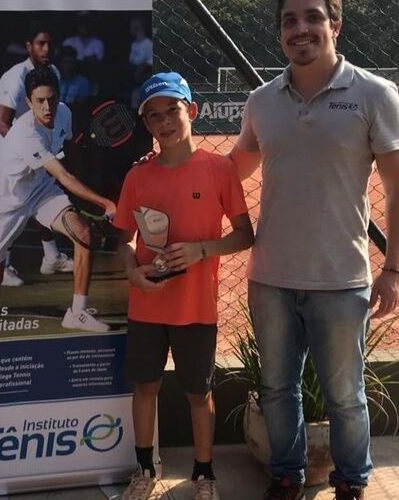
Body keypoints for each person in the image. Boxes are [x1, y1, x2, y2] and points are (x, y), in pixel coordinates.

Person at [229, 1, 399, 499]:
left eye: (312, 17)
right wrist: (177, 170)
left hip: (341, 278)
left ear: (335, 24)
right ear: (280, 31)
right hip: (270, 277)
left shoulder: (375, 94)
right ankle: (286, 476)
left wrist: (393, 269)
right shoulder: (262, 101)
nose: (300, 28)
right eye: (289, 20)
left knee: (346, 396)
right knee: (276, 389)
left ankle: (351, 481)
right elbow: (233, 168)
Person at [115, 72, 254, 500]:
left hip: (196, 306)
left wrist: (201, 250)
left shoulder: (219, 169)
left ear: (191, 111)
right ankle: (144, 470)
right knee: (145, 387)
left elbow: (245, 235)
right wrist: (133, 273)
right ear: (146, 124)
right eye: (153, 116)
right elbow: (123, 241)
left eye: (172, 111)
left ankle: (204, 473)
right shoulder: (137, 177)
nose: (164, 122)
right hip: (146, 304)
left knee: (198, 392)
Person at [0, 66, 116, 333]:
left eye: (51, 99)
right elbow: (64, 176)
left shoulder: (63, 112)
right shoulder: (25, 132)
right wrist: (105, 203)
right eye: (39, 101)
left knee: (83, 234)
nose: (47, 107)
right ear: (29, 102)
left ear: (59, 96)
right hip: (6, 202)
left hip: (40, 189)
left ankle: (77, 313)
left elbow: (66, 148)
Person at [0, 23, 72, 286]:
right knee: (14, 199)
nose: (46, 49)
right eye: (40, 43)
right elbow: (2, 124)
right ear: (28, 46)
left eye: (50, 44)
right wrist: (30, 152)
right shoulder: (14, 77)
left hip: (33, 138)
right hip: (3, 141)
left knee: (41, 191)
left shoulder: (52, 73)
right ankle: (5, 264)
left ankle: (51, 257)